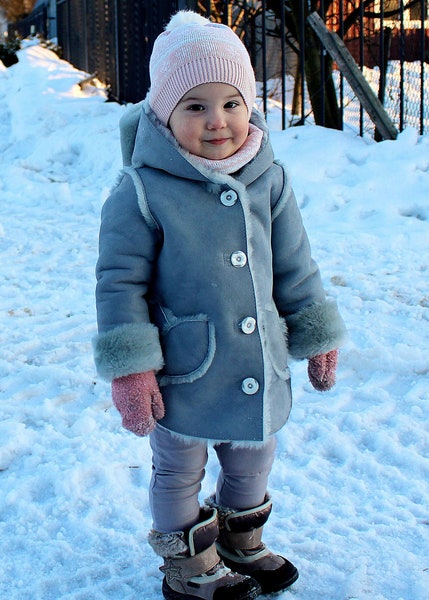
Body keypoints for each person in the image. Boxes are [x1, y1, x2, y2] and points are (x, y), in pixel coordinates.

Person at [93, 10, 346, 600]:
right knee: (179, 467)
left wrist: (315, 331)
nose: (217, 122)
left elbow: (295, 265)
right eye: (196, 107)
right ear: (164, 113)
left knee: (252, 458)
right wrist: (131, 366)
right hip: (184, 368)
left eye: (231, 103)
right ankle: (188, 563)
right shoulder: (142, 190)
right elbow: (118, 283)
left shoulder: (269, 178)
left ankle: (238, 541)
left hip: (259, 363)